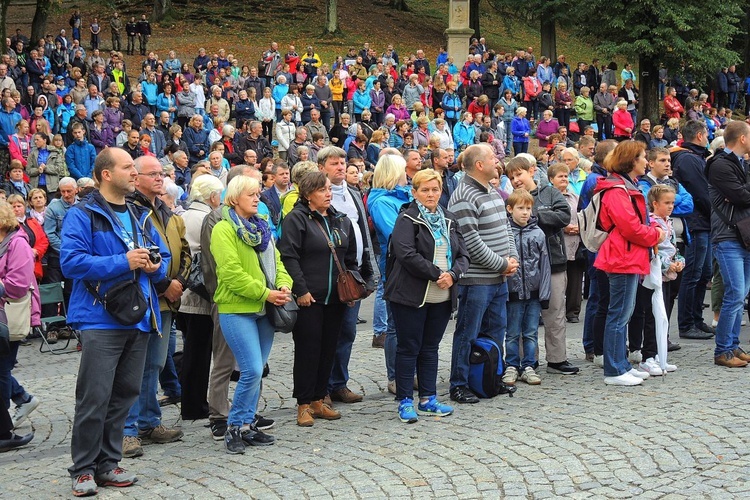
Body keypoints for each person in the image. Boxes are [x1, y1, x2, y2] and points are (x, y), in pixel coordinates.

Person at [62, 147, 168, 496]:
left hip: (138, 317)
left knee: (124, 395)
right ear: (106, 174)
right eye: (127, 168)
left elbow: (160, 258)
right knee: (94, 397)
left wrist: (155, 265)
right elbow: (72, 263)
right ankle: (82, 469)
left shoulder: (140, 213)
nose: (134, 173)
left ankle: (107, 464)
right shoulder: (83, 214)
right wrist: (124, 261)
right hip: (99, 318)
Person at [212, 174, 291, 452]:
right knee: (252, 369)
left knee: (256, 373)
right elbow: (231, 274)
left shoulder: (263, 226)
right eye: (251, 195)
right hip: (238, 309)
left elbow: (277, 260)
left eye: (258, 193)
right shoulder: (223, 230)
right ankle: (234, 427)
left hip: (266, 309)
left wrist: (283, 284)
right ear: (234, 198)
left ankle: (247, 426)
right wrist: (266, 292)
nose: (258, 198)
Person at [385, 168, 468, 422]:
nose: (430, 194)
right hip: (411, 294)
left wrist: (453, 274)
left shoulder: (450, 219)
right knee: (409, 347)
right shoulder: (407, 219)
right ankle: (405, 401)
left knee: (430, 348)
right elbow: (406, 254)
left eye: (435, 189)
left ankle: (429, 398)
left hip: (441, 295)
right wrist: (437, 274)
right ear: (415, 192)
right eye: (425, 190)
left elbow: (464, 255)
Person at [121, 155, 190, 459]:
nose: (160, 178)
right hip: (143, 297)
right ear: (136, 178)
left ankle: (150, 421)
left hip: (167, 300)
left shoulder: (168, 211)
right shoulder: (132, 210)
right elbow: (141, 255)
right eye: (153, 174)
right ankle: (127, 429)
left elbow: (185, 252)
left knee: (155, 365)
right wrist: (165, 284)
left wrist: (180, 283)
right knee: (133, 367)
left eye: (162, 173)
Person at [278, 171, 359, 427]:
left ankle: (318, 399)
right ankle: (303, 403)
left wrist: (353, 287)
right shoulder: (296, 219)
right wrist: (300, 290)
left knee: (328, 350)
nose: (328, 193)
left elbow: (350, 257)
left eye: (329, 189)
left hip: (336, 298)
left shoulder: (340, 219)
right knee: (308, 351)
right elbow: (289, 256)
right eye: (323, 190)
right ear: (308, 194)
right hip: (309, 298)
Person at [447, 144, 519, 403]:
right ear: (479, 164)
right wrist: (502, 264)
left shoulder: (492, 190)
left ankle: (488, 378)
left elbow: (506, 228)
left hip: (498, 278)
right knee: (468, 332)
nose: (498, 160)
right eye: (492, 157)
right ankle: (459, 383)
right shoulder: (464, 195)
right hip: (477, 280)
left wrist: (511, 258)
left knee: (495, 331)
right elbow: (471, 243)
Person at [593, 141, 664, 385]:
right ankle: (614, 370)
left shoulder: (625, 185)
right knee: (618, 315)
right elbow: (630, 227)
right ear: (631, 160)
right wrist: (656, 234)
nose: (646, 161)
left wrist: (652, 229)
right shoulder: (616, 189)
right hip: (622, 257)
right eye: (643, 157)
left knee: (622, 313)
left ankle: (620, 364)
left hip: (628, 256)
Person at [506, 156, 579, 375]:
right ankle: (524, 362)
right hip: (522, 268)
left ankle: (557, 359)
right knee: (520, 318)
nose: (516, 180)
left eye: (518, 174)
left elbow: (564, 216)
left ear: (531, 171)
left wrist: (534, 213)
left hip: (554, 262)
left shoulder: (550, 192)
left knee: (555, 312)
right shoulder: (510, 199)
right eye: (511, 177)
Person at [318, 146, 377, 404]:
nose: (341, 167)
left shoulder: (354, 193)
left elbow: (364, 233)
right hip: (327, 276)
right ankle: (320, 388)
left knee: (348, 332)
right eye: (334, 163)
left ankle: (338, 383)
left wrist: (369, 272)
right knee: (325, 333)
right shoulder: (315, 195)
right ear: (321, 168)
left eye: (342, 162)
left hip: (353, 274)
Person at [706, 121, 750, 367]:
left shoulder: (740, 163)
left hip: (743, 236)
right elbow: (741, 196)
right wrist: (742, 192)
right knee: (734, 294)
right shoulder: (721, 164)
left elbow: (742, 195)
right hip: (727, 237)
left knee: (741, 294)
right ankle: (722, 350)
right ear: (742, 139)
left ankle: (733, 345)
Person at [178, 175, 223, 420]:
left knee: (195, 351)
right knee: (199, 353)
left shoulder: (186, 214)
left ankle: (193, 403)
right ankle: (194, 405)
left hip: (189, 294)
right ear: (213, 196)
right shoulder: (205, 217)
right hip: (200, 296)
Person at [502, 188, 551, 385]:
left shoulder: (538, 233)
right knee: (512, 332)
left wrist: (545, 294)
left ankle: (529, 365)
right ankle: (511, 365)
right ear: (510, 209)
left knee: (530, 332)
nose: (525, 212)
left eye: (528, 208)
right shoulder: (506, 233)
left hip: (533, 292)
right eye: (520, 208)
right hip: (512, 292)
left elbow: (544, 265)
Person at [671, 121, 714, 340]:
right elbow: (702, 192)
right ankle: (686, 323)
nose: (708, 137)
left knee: (704, 273)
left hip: (703, 222)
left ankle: (697, 319)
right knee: (693, 274)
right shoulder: (688, 158)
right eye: (707, 133)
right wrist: (715, 214)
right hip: (697, 223)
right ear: (699, 135)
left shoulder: (694, 157)